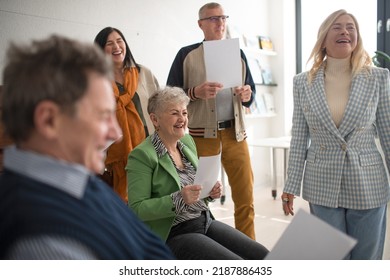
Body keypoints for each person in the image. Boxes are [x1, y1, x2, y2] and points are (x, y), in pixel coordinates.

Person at [0, 35, 174, 260]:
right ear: (49, 121)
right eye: (103, 115)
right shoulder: (42, 242)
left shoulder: (77, 180)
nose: (116, 134)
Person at [282, 9, 390, 260]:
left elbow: (387, 134)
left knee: (366, 259)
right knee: (331, 259)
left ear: (357, 36)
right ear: (323, 37)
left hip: (369, 182)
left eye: (350, 27)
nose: (345, 31)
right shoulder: (302, 82)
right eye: (337, 27)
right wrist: (290, 185)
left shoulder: (378, 78)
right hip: (321, 182)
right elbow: (299, 138)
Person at [126, 86, 269, 259]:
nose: (182, 119)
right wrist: (179, 199)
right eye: (174, 113)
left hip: (203, 220)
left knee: (264, 255)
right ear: (155, 120)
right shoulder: (142, 155)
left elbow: (196, 188)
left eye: (184, 113)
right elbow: (137, 209)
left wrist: (209, 192)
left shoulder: (187, 141)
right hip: (174, 233)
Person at [166, 2, 256, 240]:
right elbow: (169, 97)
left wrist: (247, 95)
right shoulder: (186, 55)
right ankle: (205, 247)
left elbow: (251, 94)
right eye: (213, 18)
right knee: (199, 198)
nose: (220, 22)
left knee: (245, 198)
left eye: (223, 17)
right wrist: (195, 93)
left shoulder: (239, 54)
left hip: (236, 135)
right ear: (200, 24)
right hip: (199, 137)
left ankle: (250, 251)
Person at [94, 27, 160, 202]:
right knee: (128, 209)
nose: (116, 46)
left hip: (151, 150)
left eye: (119, 41)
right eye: (109, 43)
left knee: (155, 203)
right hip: (117, 160)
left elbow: (160, 106)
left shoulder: (143, 73)